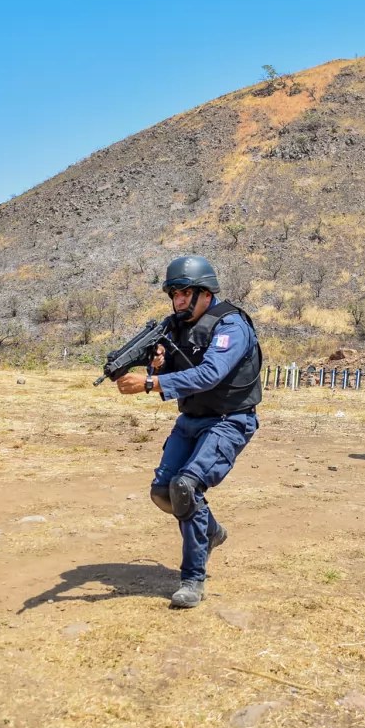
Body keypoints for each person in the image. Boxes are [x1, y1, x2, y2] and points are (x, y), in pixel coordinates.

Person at [115, 256, 262, 609]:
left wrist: (151, 382)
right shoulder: (174, 326)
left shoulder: (231, 326)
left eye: (185, 293)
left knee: (186, 487)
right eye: (174, 294)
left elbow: (210, 374)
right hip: (191, 420)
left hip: (229, 420)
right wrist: (157, 361)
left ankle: (193, 578)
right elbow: (173, 361)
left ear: (205, 293)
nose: (179, 300)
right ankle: (211, 531)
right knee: (163, 493)